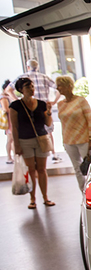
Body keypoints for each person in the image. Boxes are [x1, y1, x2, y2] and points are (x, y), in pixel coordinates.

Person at [9, 77, 54, 209]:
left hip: (41, 139)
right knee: (31, 170)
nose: (31, 89)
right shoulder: (15, 106)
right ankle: (33, 198)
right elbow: (15, 127)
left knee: (42, 169)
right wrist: (16, 145)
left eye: (32, 86)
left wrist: (49, 112)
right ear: (21, 90)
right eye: (28, 87)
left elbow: (48, 123)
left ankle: (45, 197)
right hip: (25, 140)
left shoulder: (41, 104)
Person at [7, 60, 61, 163]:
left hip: (30, 108)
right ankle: (53, 153)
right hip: (42, 108)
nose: (32, 89)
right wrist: (54, 102)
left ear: (27, 67)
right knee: (47, 132)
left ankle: (50, 153)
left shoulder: (22, 77)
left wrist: (17, 101)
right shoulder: (44, 76)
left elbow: (8, 90)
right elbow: (58, 89)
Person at [56, 76, 91, 191]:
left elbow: (90, 120)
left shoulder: (81, 101)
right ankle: (83, 192)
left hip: (83, 139)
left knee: (88, 167)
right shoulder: (60, 104)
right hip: (69, 140)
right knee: (77, 169)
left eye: (60, 85)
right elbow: (63, 123)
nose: (58, 88)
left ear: (68, 86)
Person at [1, 80, 11, 164]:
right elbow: (5, 109)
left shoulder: (7, 97)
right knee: (10, 139)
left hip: (11, 120)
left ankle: (12, 156)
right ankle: (9, 157)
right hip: (9, 120)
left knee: (12, 139)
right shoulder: (4, 98)